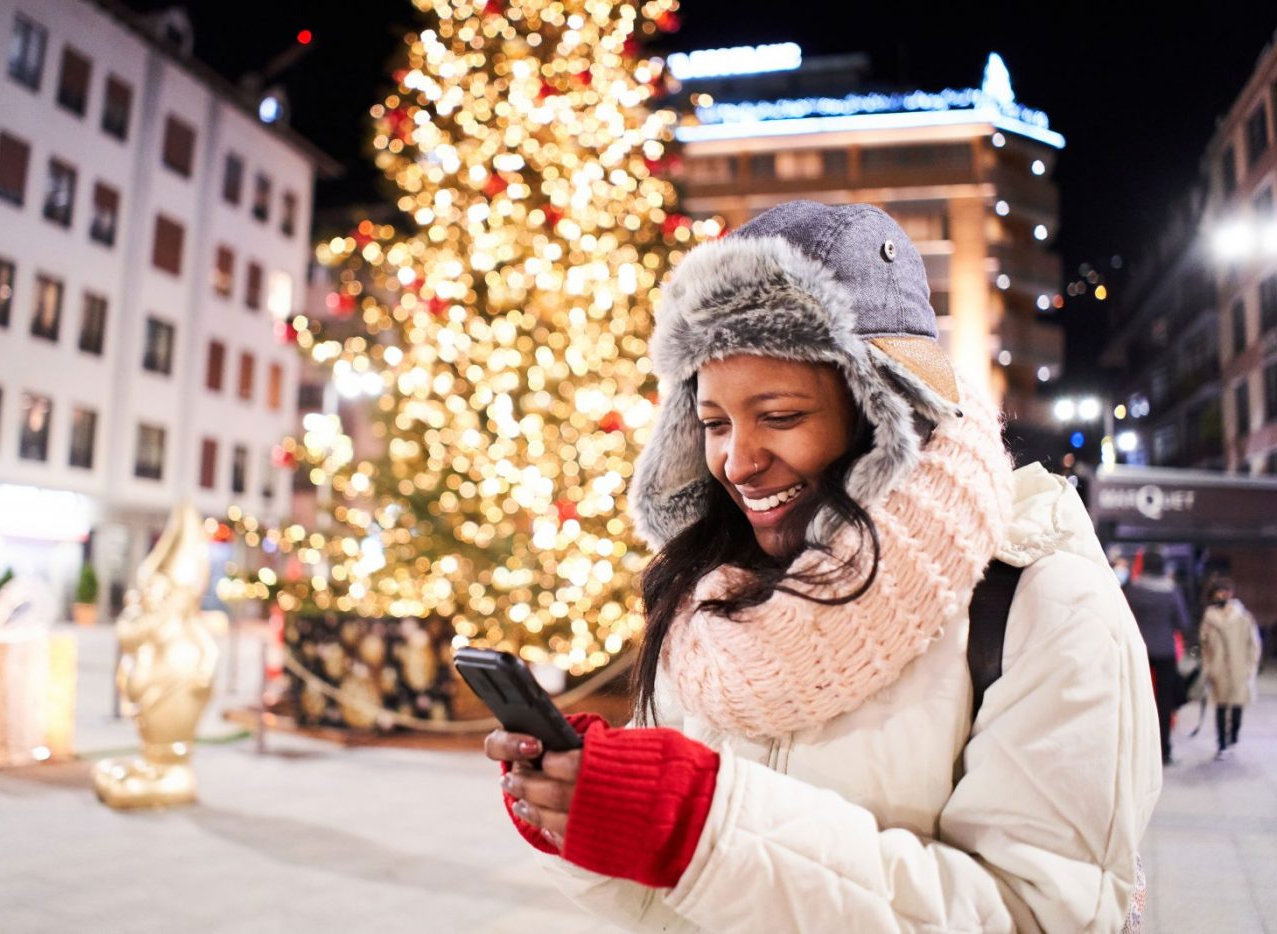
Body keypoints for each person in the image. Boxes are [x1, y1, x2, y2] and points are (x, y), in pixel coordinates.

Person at [484, 201, 1161, 931]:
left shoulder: (1042, 606)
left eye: (779, 417)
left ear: (883, 411)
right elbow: (668, 903)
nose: (737, 463)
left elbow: (1038, 914)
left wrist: (697, 823)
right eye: (713, 424)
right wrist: (587, 816)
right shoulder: (712, 602)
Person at [1124, 550, 1190, 766]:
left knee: (1133, 698)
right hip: (1165, 651)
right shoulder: (1170, 591)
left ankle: (1133, 748)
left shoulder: (1132, 589)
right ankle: (1163, 751)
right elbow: (1182, 622)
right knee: (1164, 702)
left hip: (1138, 649)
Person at [1199, 578, 1260, 759]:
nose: (1222, 594)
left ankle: (1232, 737)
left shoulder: (1243, 616)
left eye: (1224, 590)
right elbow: (1204, 645)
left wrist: (1251, 666)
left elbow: (1253, 643)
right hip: (1218, 668)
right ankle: (1222, 745)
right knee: (1220, 706)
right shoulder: (1209, 618)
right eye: (1218, 591)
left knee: (1237, 708)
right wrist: (1207, 666)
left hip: (1239, 668)